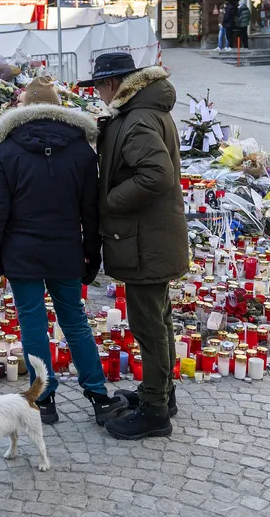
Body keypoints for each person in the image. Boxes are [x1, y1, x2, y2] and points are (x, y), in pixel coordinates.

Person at [0, 75, 129, 426]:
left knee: (32, 323)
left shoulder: (10, 147)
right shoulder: (80, 148)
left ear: (25, 109)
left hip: (22, 252)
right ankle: (97, 395)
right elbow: (90, 210)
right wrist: (92, 254)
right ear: (58, 108)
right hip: (65, 250)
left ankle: (43, 400)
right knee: (75, 322)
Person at [79, 53, 189, 440]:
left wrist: (109, 201)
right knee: (158, 320)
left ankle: (156, 411)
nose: (97, 93)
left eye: (98, 86)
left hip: (146, 240)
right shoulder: (141, 112)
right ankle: (159, 394)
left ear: (114, 84)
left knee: (149, 326)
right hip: (150, 237)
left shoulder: (139, 118)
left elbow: (157, 175)